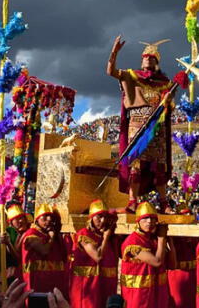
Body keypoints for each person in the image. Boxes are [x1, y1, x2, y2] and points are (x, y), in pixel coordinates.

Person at [107, 36, 180, 214]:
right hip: (137, 124)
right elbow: (111, 72)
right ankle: (133, 201)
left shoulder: (166, 83)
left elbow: (170, 107)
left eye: (151, 57)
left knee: (159, 166)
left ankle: (163, 203)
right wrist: (114, 52)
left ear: (156, 61)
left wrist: (168, 100)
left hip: (157, 127)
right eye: (145, 57)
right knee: (136, 165)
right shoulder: (132, 76)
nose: (147, 58)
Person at [120, 201, 175, 308]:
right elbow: (157, 262)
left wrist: (170, 241)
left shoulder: (154, 240)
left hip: (157, 293)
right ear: (138, 221)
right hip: (139, 296)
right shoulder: (132, 242)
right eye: (145, 219)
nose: (149, 221)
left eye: (153, 218)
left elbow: (173, 265)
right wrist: (162, 238)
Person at [70, 200, 119, 308]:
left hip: (103, 285)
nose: (103, 220)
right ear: (91, 218)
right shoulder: (83, 234)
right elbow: (98, 256)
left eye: (105, 217)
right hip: (87, 287)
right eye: (99, 216)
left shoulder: (110, 238)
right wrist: (105, 237)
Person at [20, 203, 70, 307]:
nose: (48, 220)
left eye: (51, 217)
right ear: (37, 219)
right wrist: (51, 238)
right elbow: (44, 251)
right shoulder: (31, 234)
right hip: (37, 283)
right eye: (45, 217)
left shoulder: (54, 236)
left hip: (53, 284)